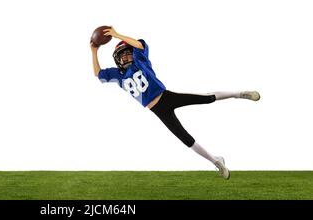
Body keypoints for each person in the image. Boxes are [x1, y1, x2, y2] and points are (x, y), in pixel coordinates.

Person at [90, 27, 260, 180]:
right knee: (186, 140)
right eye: (123, 54)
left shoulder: (140, 60)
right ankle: (216, 161)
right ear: (117, 59)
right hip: (157, 110)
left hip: (166, 97)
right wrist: (93, 50)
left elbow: (139, 45)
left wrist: (117, 34)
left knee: (206, 98)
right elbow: (98, 74)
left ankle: (239, 94)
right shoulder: (118, 75)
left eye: (128, 52)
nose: (126, 56)